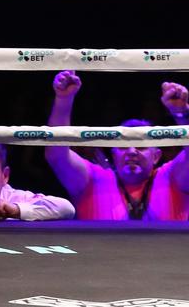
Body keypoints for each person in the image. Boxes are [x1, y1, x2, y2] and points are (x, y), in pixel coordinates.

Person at [46, 71, 189, 220]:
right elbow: (56, 155)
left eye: (141, 147)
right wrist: (64, 99)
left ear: (156, 156)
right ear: (114, 154)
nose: (132, 152)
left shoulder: (173, 177)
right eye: (123, 146)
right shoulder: (93, 180)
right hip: (97, 245)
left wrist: (181, 112)